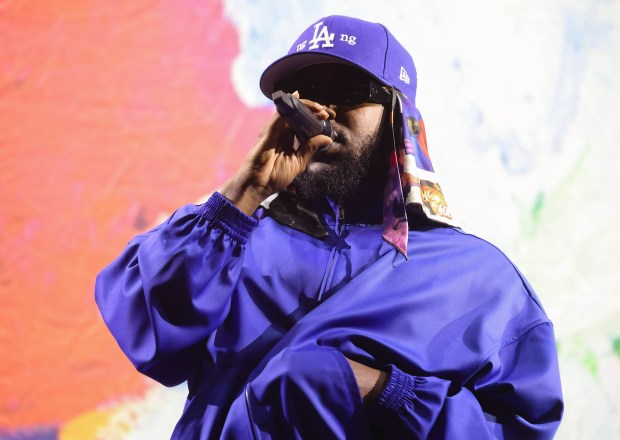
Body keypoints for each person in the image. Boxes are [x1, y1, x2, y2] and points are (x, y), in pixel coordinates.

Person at [95, 15, 563, 439]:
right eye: (305, 94)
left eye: (344, 90)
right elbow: (147, 330)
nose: (322, 111)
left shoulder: (479, 281)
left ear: (399, 118)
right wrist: (242, 194)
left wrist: (385, 391)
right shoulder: (230, 242)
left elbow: (520, 429)